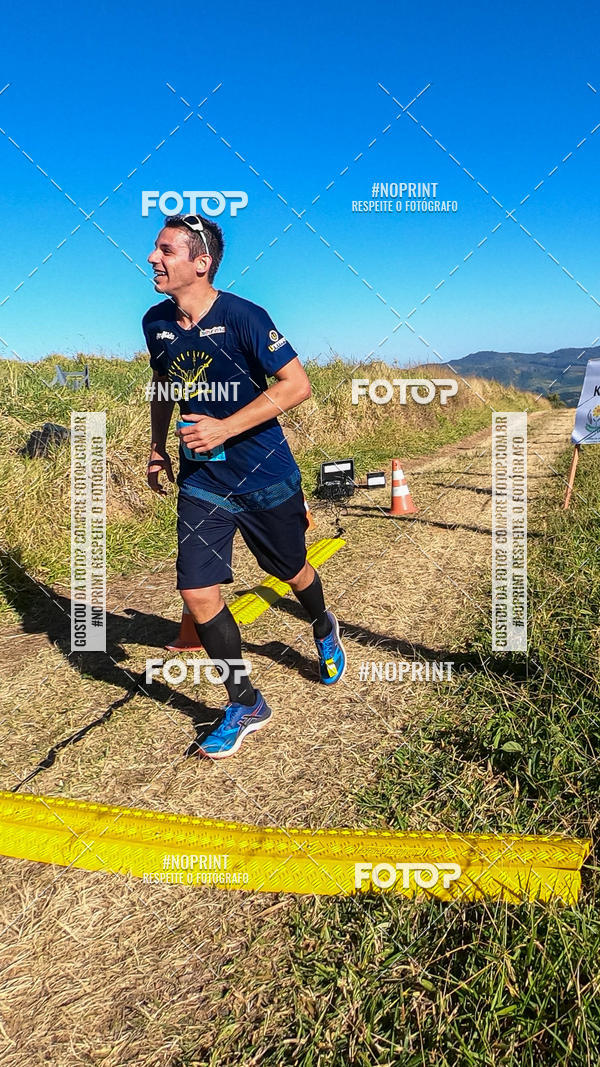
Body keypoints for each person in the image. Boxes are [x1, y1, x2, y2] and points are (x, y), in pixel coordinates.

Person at [143, 213, 346, 759]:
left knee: (289, 569)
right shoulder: (155, 323)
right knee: (197, 592)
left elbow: (297, 384)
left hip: (264, 474)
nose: (152, 259)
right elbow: (164, 385)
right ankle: (245, 699)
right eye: (155, 249)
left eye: (166, 250)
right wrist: (159, 444)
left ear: (201, 261)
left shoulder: (244, 317)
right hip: (203, 479)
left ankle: (323, 625)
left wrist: (226, 427)